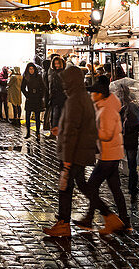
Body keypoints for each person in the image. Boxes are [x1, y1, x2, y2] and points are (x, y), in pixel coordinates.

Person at [43, 65, 99, 237]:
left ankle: (64, 224)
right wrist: (61, 130)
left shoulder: (75, 100)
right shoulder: (82, 97)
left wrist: (66, 160)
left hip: (74, 154)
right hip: (80, 152)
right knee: (80, 185)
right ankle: (106, 213)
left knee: (65, 188)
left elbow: (73, 132)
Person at [76, 76, 129, 235]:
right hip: (111, 153)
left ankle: (93, 218)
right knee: (114, 188)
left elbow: (106, 134)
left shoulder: (106, 110)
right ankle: (124, 221)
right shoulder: (104, 107)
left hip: (108, 155)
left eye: (94, 92)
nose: (91, 95)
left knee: (90, 187)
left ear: (100, 94)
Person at [109, 65, 139, 202]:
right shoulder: (134, 106)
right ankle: (132, 188)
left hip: (118, 138)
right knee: (132, 164)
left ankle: (116, 186)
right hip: (131, 138)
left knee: (114, 163)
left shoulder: (114, 105)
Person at [20, 62, 45, 138]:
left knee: (37, 117)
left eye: (32, 69)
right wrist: (27, 95)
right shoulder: (26, 77)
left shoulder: (38, 76)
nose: (31, 70)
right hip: (30, 97)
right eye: (29, 69)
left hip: (37, 97)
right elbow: (22, 88)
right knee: (28, 116)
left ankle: (38, 132)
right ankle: (28, 132)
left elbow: (43, 87)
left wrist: (41, 96)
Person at [46, 56, 67, 132]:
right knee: (55, 116)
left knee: (59, 116)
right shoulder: (53, 73)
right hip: (55, 98)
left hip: (62, 98)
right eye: (55, 64)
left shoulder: (63, 73)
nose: (56, 65)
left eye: (58, 64)